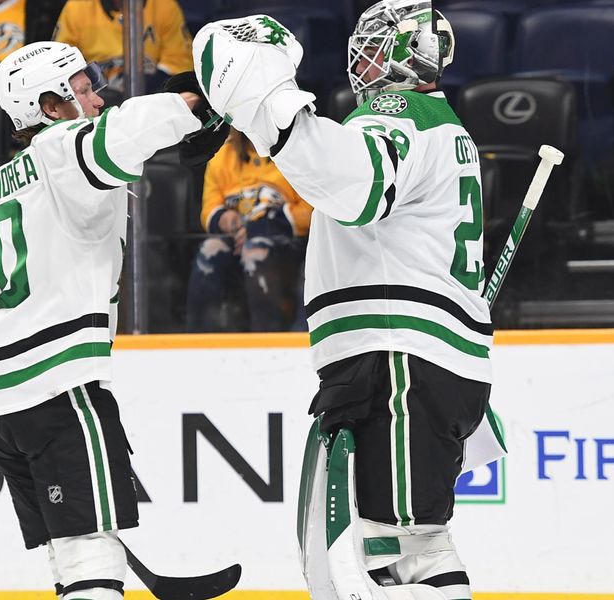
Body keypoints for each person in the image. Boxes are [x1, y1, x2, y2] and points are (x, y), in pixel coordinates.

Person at [192, 4, 495, 599]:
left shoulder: (399, 112)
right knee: (409, 546)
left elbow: (356, 187)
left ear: (407, 58)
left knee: (406, 550)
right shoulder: (443, 126)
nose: (361, 59)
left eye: (376, 47)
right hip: (418, 358)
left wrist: (273, 105)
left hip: (398, 356)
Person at [0, 41, 223, 600]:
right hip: (58, 390)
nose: (97, 99)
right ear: (49, 108)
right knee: (92, 550)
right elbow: (127, 129)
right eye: (83, 89)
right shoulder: (64, 151)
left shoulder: (5, 182)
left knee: (68, 553)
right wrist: (199, 101)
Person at [188, 129, 312, 332]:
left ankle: (268, 339)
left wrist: (264, 225)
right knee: (210, 251)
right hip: (237, 239)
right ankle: (199, 341)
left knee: (256, 251)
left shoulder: (296, 152)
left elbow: (311, 210)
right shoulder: (222, 155)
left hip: (285, 241)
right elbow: (208, 209)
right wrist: (226, 219)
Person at [54, 0, 193, 93]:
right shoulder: (77, 7)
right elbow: (60, 65)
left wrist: (151, 88)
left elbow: (180, 61)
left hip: (153, 95)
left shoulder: (165, 6)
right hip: (95, 96)